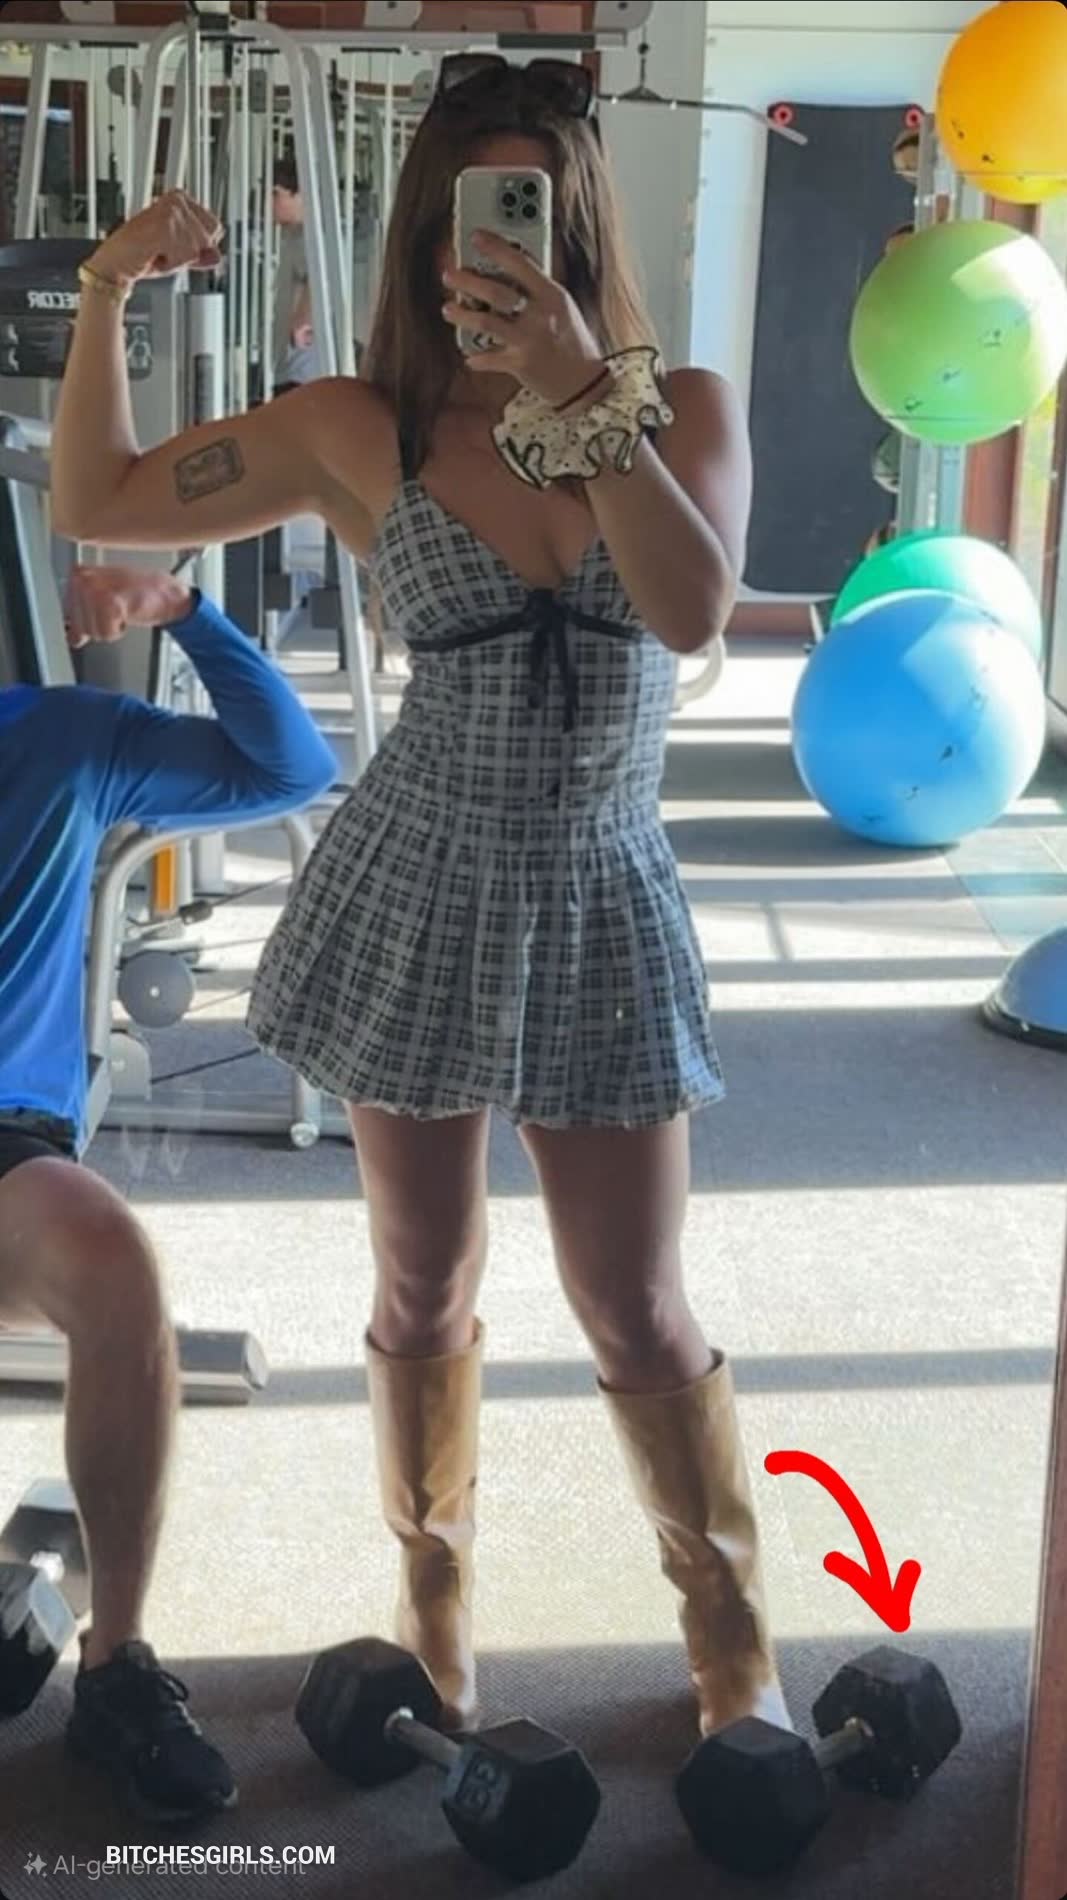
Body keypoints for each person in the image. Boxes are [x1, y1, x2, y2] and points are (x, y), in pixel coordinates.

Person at [50, 52, 790, 1747]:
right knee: (421, 1285)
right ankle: (434, 1602)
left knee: (635, 1304)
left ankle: (728, 1631)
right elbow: (97, 497)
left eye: (530, 210)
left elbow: (688, 612)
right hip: (420, 884)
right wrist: (103, 291)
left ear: (577, 223)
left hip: (600, 893)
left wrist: (578, 390)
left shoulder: (685, 412)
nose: (498, 246)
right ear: (425, 236)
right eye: (473, 215)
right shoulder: (356, 427)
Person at [0, 563, 336, 1819]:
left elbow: (289, 768)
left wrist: (183, 612)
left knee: (114, 1261)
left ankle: (117, 1667)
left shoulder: (65, 736)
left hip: (7, 1144)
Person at [270, 152, 320, 394]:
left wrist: (302, 321)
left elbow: (318, 280)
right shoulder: (291, 236)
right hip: (289, 366)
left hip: (301, 371)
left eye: (276, 194)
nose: (269, 203)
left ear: (300, 195)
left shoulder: (310, 239)